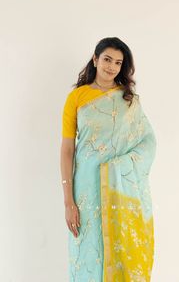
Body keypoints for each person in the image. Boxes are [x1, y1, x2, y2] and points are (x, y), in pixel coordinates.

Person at [60, 37, 157, 282]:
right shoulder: (77, 98)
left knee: (120, 248)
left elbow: (147, 142)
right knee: (88, 253)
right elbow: (67, 150)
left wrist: (119, 167)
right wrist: (68, 201)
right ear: (95, 59)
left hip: (120, 189)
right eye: (106, 59)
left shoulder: (129, 100)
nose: (111, 67)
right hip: (86, 188)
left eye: (117, 62)